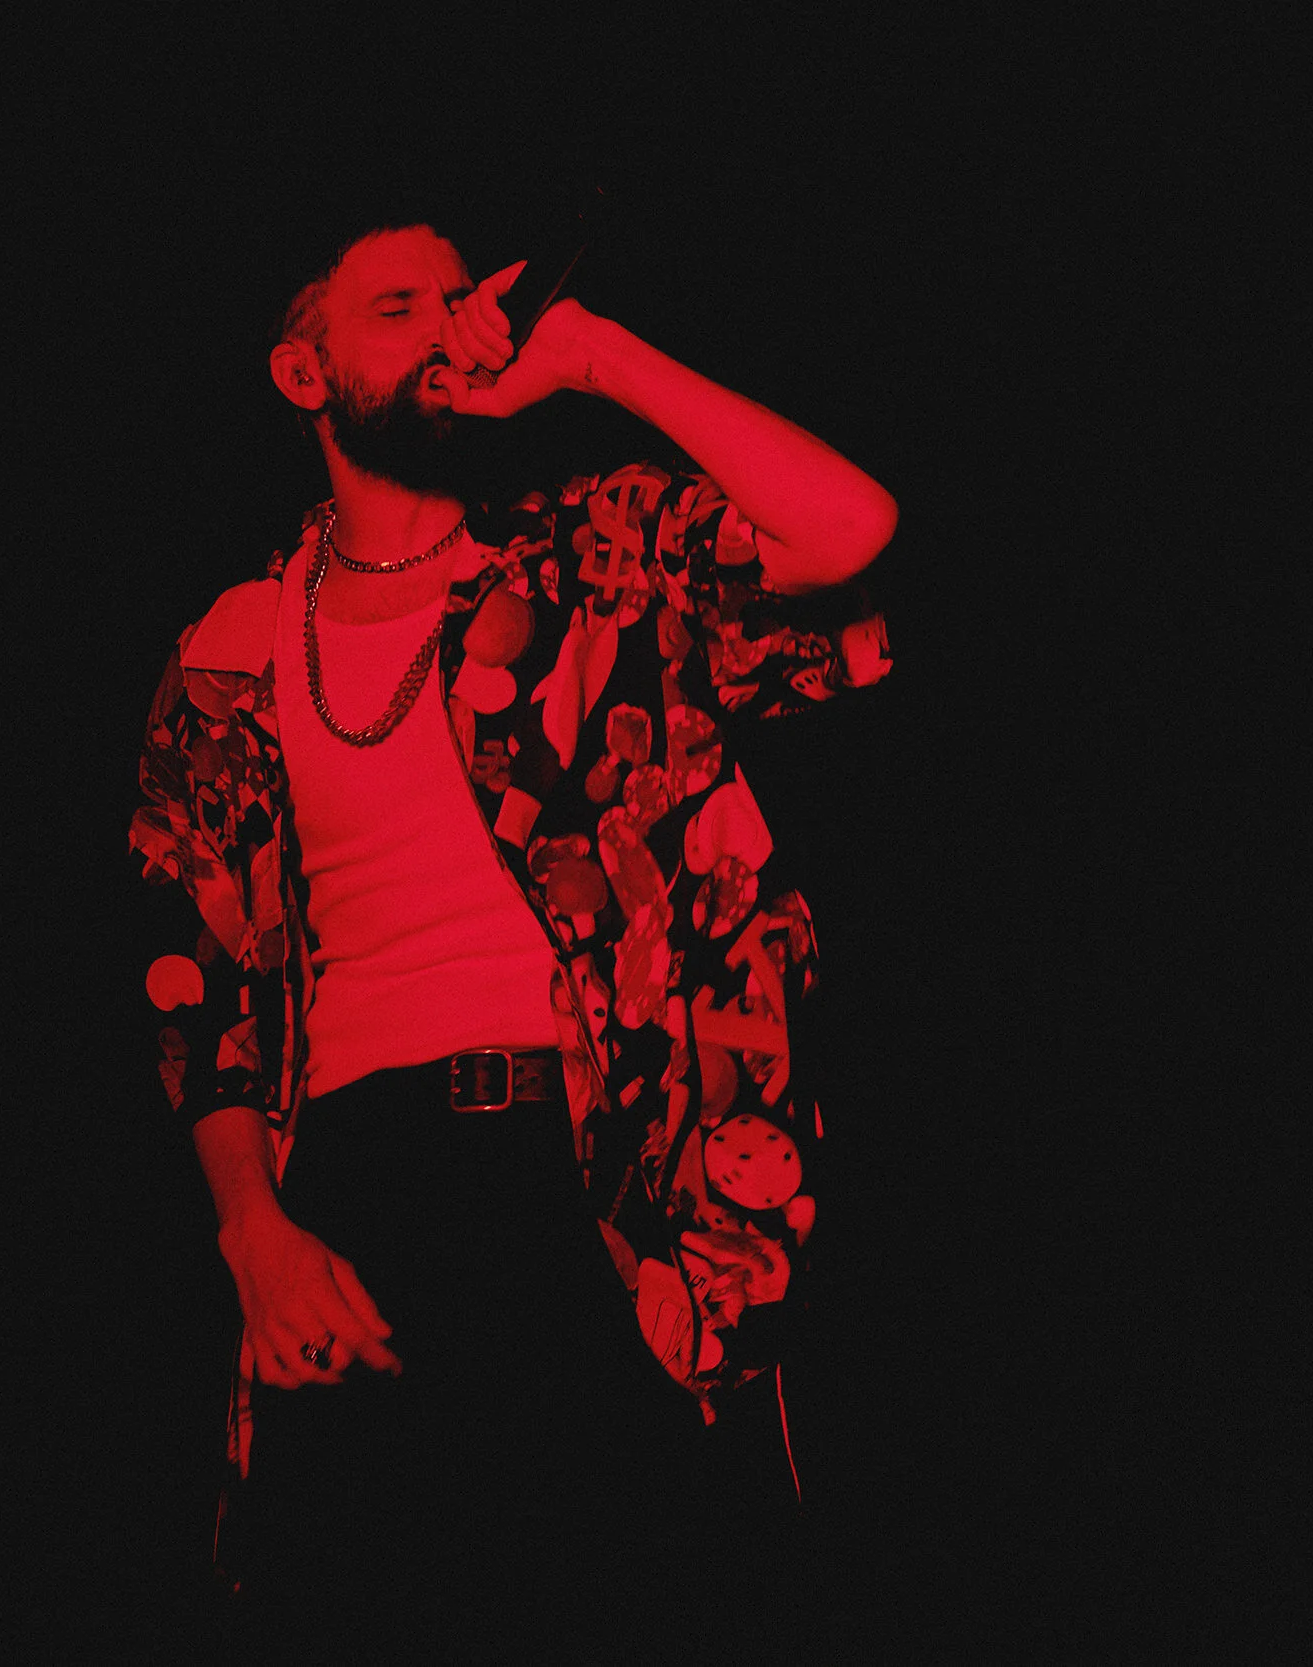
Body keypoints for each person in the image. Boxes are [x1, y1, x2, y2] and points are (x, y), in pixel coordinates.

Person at [129, 212, 896, 1656]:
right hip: (357, 1188)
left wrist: (594, 357)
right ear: (303, 373)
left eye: (454, 296)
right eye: (394, 307)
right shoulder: (231, 650)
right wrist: (255, 1234)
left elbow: (849, 530)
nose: (443, 324)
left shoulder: (595, 560)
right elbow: (193, 978)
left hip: (588, 1173)